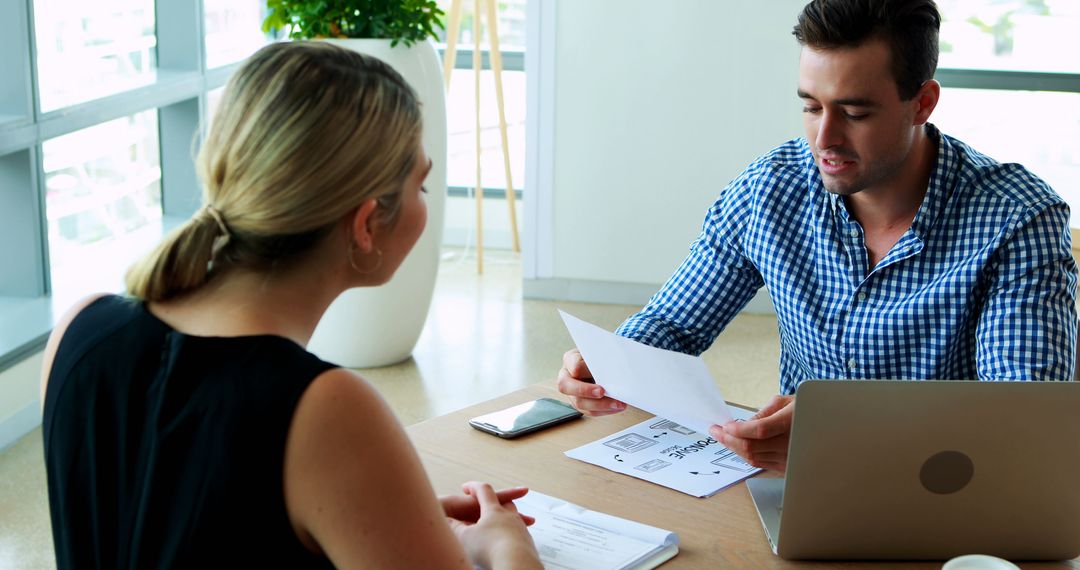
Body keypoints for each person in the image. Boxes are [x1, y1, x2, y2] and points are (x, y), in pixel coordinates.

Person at [41, 42, 542, 569]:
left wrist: (389, 517)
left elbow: (178, 519)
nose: (425, 201)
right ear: (367, 224)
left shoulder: (80, 330)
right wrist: (506, 545)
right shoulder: (328, 408)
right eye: (422, 184)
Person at [557, 0, 1078, 473]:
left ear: (922, 103)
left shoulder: (1017, 219)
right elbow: (673, 324)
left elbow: (1022, 415)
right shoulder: (771, 190)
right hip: (801, 482)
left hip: (948, 489)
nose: (824, 138)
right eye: (810, 106)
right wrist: (609, 363)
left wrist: (844, 429)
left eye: (854, 113)